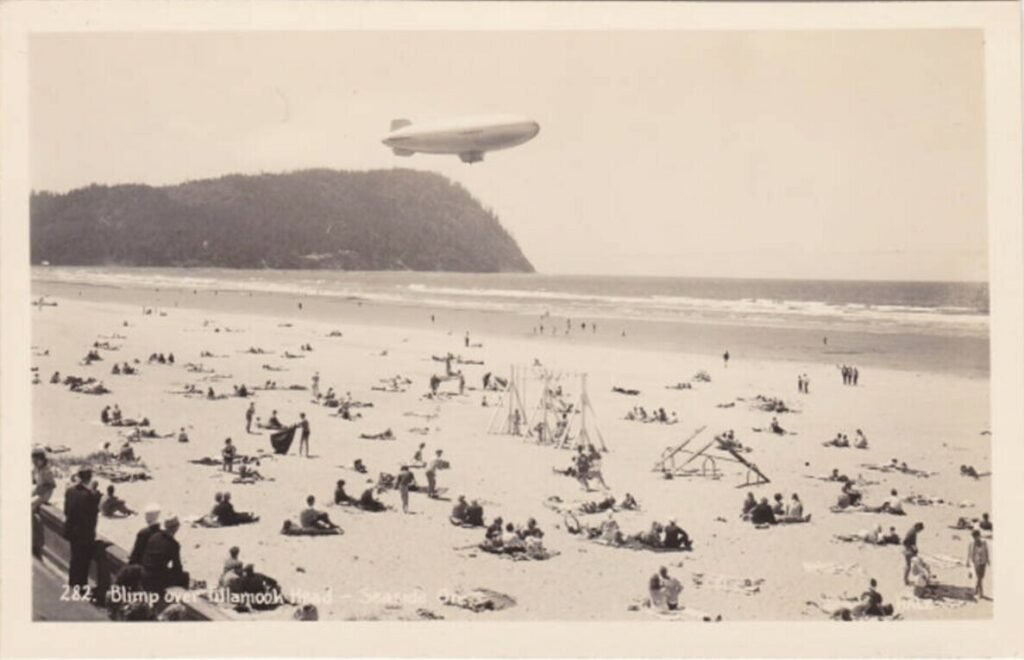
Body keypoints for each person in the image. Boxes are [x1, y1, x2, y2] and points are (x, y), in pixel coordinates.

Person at [63, 468, 101, 591]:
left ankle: (72, 583)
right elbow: (92, 516)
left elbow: (66, 511)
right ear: (89, 479)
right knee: (84, 561)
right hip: (84, 533)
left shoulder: (70, 491)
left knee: (75, 558)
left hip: (71, 531)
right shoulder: (89, 495)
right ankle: (81, 586)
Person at [141, 515, 187, 594]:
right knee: (185, 577)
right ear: (176, 528)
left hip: (144, 573)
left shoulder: (154, 536)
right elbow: (177, 567)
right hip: (156, 579)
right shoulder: (173, 544)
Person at [966, 529, 990, 599]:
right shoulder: (971, 543)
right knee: (979, 577)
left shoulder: (984, 543)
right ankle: (980, 592)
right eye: (973, 537)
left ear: (979, 536)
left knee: (981, 577)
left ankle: (976, 591)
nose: (975, 538)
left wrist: (988, 559)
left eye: (976, 537)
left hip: (983, 561)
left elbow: (986, 551)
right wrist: (967, 561)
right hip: (976, 562)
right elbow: (969, 553)